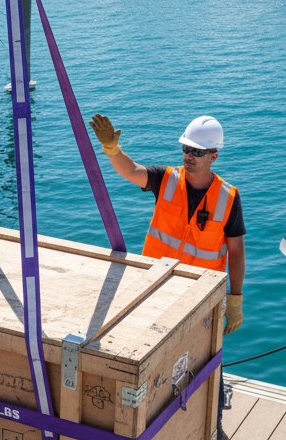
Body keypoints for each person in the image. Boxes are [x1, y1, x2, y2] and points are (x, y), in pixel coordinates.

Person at [89, 114, 245, 333]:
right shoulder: (166, 179)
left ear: (213, 156)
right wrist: (112, 149)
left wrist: (235, 298)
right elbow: (131, 170)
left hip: (200, 293)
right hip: (156, 284)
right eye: (186, 149)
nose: (189, 156)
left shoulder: (228, 197)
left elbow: (236, 251)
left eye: (197, 152)